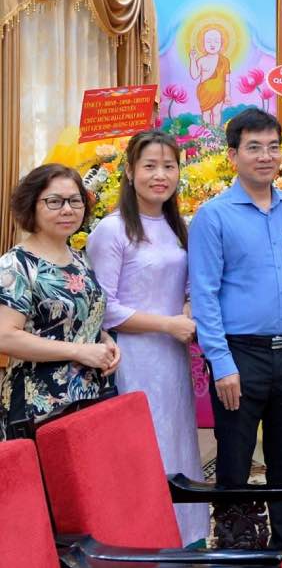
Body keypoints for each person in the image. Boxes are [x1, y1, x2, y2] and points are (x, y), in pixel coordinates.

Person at [188, 108, 282, 551]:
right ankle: (234, 549)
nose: (266, 156)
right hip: (241, 356)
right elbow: (203, 296)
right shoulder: (213, 216)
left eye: (274, 147)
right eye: (254, 147)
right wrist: (222, 365)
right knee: (235, 461)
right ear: (233, 154)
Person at [85, 131, 208, 546]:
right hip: (133, 356)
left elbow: (189, 286)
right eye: (150, 166)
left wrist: (187, 312)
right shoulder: (113, 229)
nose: (160, 175)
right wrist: (168, 324)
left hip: (173, 357)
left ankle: (186, 538)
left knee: (177, 441)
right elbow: (105, 305)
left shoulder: (180, 226)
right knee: (143, 446)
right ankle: (141, 540)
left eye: (169, 166)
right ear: (129, 171)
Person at [0, 164, 120, 437]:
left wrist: (104, 340)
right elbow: (5, 337)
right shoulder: (16, 266)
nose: (67, 209)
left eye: (75, 200)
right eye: (54, 201)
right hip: (39, 406)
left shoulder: (79, 259)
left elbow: (78, 319)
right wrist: (78, 351)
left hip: (88, 398)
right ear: (31, 205)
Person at [189, 25, 231, 126]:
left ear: (221, 44)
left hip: (219, 93)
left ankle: (216, 134)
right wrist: (192, 60)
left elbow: (227, 80)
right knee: (206, 113)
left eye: (216, 41)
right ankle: (207, 135)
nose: (212, 44)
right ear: (203, 44)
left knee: (216, 113)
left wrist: (227, 94)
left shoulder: (224, 61)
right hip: (204, 93)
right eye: (208, 41)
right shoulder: (202, 60)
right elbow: (194, 75)